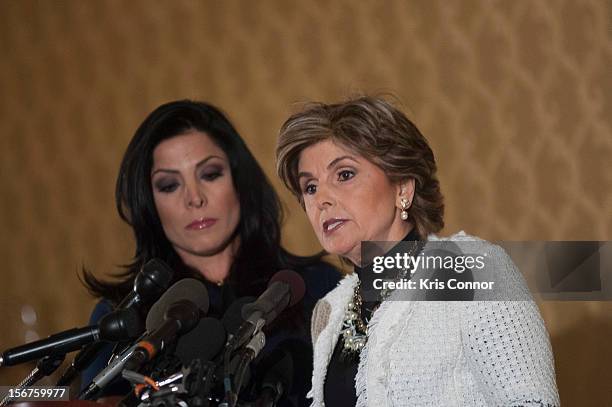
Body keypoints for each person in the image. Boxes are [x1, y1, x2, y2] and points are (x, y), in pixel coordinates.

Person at [276, 96, 560, 406]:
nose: (321, 200)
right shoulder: (329, 312)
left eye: (344, 175)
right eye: (310, 187)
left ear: (403, 187)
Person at [81, 100, 341, 405]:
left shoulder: (317, 286)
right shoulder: (123, 313)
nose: (195, 198)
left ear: (239, 180)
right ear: (149, 204)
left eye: (210, 174)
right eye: (169, 185)